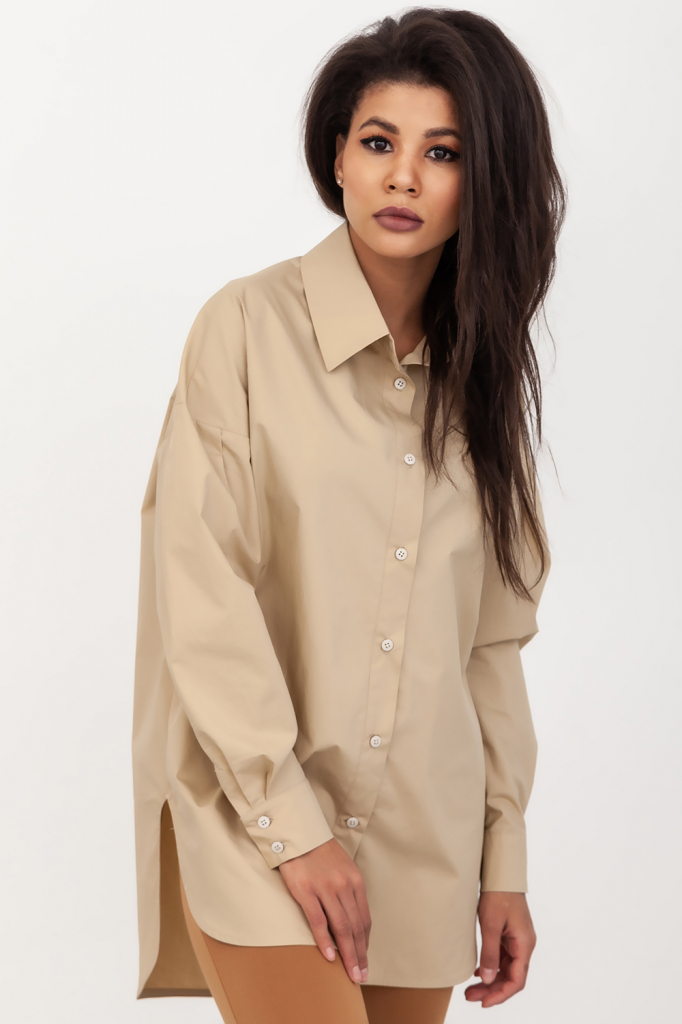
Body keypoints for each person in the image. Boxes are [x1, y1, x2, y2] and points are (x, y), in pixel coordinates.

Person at [131, 8, 565, 1023]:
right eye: (378, 143)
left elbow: (488, 647)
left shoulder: (485, 389)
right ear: (338, 158)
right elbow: (202, 589)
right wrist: (295, 828)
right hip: (256, 824)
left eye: (442, 153)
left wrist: (503, 858)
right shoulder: (244, 329)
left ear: (484, 180)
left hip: (424, 844)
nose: (402, 178)